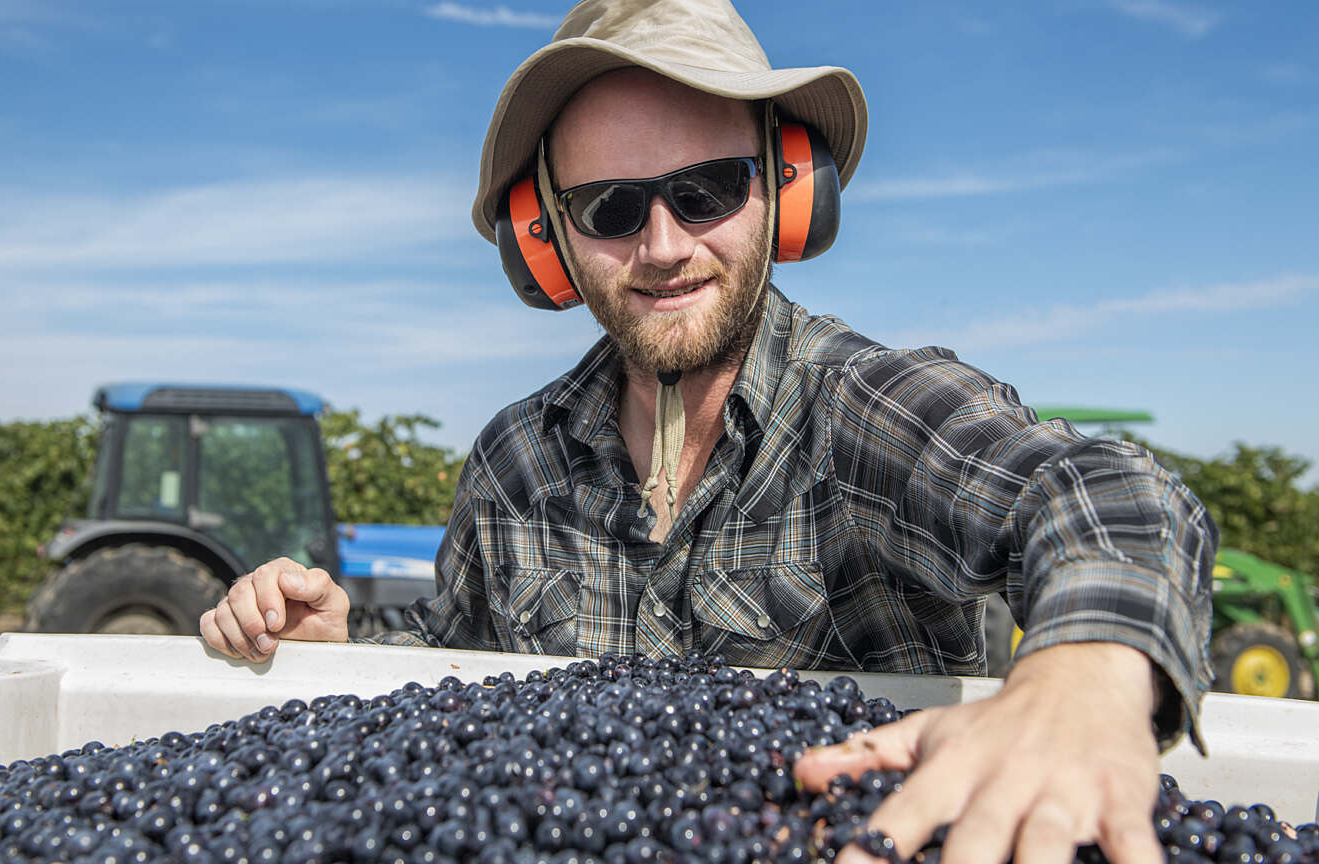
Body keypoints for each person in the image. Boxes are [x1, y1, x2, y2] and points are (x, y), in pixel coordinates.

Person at [200, 1, 1217, 861]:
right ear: (546, 239)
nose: (662, 246)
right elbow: (460, 660)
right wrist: (345, 647)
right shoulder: (516, 462)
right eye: (608, 208)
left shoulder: (864, 407)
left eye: (705, 191)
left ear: (784, 190)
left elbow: (1101, 493)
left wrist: (1083, 676)